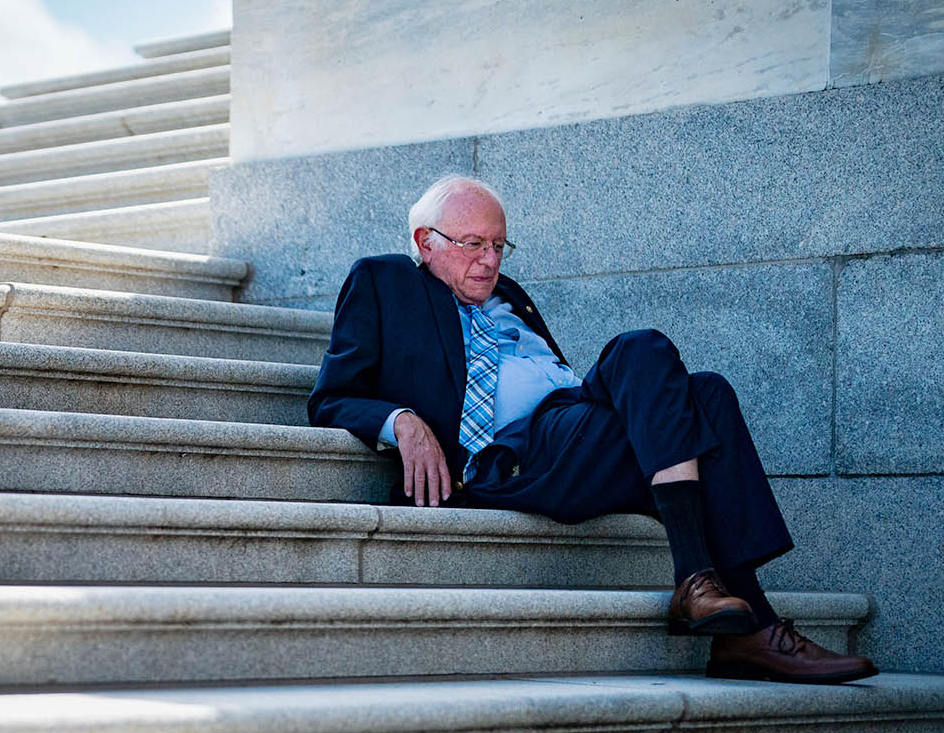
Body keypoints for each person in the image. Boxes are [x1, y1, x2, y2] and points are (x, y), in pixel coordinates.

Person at [306, 174, 875, 685]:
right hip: (513, 455)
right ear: (426, 242)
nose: (489, 260)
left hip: (571, 419)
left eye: (499, 245)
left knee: (708, 392)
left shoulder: (510, 297)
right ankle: (722, 600)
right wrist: (401, 420)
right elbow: (332, 396)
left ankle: (734, 622)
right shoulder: (383, 281)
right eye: (473, 243)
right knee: (651, 356)